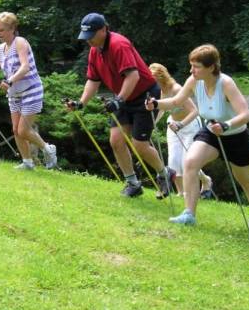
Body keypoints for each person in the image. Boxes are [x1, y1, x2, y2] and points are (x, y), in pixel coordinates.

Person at [146, 44, 249, 230]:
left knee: (245, 181)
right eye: (191, 65)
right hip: (210, 132)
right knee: (190, 163)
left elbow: (245, 115)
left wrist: (226, 125)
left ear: (211, 67)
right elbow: (176, 101)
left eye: (196, 66)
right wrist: (156, 103)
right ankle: (189, 215)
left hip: (235, 136)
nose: (191, 70)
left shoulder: (225, 83)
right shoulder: (194, 80)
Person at [66, 13, 175, 198]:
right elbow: (93, 80)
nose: (89, 41)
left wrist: (119, 100)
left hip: (144, 95)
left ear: (103, 29)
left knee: (139, 144)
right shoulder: (95, 50)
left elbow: (133, 76)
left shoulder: (119, 44)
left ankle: (164, 174)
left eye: (92, 35)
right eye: (86, 37)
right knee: (116, 141)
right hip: (124, 97)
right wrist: (81, 103)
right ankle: (133, 183)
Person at [0, 12, 57, 170]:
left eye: (1, 30)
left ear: (12, 29)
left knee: (23, 130)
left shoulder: (20, 42)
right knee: (16, 130)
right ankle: (27, 162)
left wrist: (9, 81)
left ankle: (48, 149)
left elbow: (25, 67)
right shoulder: (1, 49)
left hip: (31, 91)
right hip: (15, 94)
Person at [149, 63, 213, 198]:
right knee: (173, 161)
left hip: (189, 126)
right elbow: (161, 108)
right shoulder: (160, 90)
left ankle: (206, 180)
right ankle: (181, 192)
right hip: (173, 126)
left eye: (153, 79)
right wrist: (152, 123)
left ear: (161, 77)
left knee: (187, 161)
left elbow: (195, 111)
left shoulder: (176, 89)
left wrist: (181, 125)